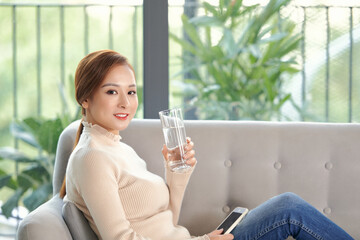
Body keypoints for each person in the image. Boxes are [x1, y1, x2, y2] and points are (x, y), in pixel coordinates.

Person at [60, 49, 354, 240]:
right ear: (84, 98)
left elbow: (166, 223)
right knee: (289, 209)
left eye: (132, 92)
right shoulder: (92, 157)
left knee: (289, 206)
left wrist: (176, 175)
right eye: (112, 91)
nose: (126, 103)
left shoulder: (117, 147)